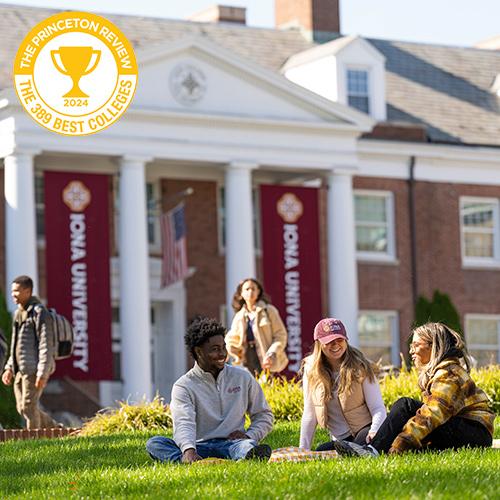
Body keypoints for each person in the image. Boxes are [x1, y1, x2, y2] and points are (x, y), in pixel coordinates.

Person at [333, 322, 495, 457]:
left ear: (434, 346)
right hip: (462, 431)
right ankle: (356, 447)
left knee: (406, 406)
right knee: (405, 413)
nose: (411, 351)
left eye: (416, 345)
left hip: (474, 434)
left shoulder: (449, 373)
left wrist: (399, 445)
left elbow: (433, 414)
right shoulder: (441, 372)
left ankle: (372, 451)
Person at [146, 317, 273, 463]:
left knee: (247, 446)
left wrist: (250, 435)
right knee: (155, 444)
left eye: (223, 347)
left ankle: (245, 454)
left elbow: (264, 415)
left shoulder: (243, 377)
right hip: (198, 446)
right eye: (215, 349)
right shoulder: (184, 386)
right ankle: (189, 459)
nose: (222, 354)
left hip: (232, 444)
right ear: (198, 352)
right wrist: (188, 449)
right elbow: (183, 422)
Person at [299, 317, 386, 450]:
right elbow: (309, 414)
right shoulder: (310, 370)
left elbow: (378, 408)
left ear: (346, 340)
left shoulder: (361, 365)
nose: (335, 345)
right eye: (329, 341)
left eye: (339, 339)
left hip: (365, 431)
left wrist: (374, 431)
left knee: (354, 449)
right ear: (319, 344)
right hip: (340, 439)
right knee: (321, 451)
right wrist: (303, 449)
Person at [1, 275, 57, 429]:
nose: (13, 294)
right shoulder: (19, 314)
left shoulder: (40, 313)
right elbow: (15, 345)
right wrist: (9, 368)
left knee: (28, 408)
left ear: (27, 291)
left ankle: (34, 442)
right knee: (22, 408)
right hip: (20, 369)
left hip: (34, 369)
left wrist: (42, 373)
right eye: (12, 291)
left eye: (17, 291)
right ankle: (57, 429)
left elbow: (47, 344)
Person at [225, 278, 288, 374]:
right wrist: (233, 352)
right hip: (248, 359)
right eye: (247, 289)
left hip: (269, 360)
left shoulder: (269, 310)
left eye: (253, 289)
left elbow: (281, 335)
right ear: (241, 293)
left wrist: (272, 352)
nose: (250, 292)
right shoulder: (239, 316)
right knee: (252, 386)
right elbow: (231, 339)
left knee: (270, 386)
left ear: (258, 292)